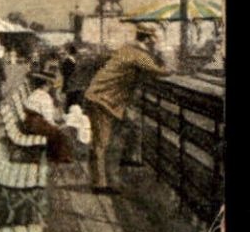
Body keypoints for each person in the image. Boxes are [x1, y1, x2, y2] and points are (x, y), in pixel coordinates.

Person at [82, 23, 168, 195]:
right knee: (102, 143)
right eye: (154, 39)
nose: (155, 42)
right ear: (149, 39)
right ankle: (100, 184)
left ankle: (108, 177)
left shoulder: (127, 49)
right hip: (103, 99)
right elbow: (162, 71)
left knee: (114, 135)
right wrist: (162, 52)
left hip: (101, 98)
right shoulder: (137, 55)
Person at [17, 70, 74, 164]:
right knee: (58, 133)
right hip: (35, 124)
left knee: (55, 131)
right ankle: (61, 157)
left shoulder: (36, 93)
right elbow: (48, 118)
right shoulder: (45, 97)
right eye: (51, 85)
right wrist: (56, 125)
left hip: (29, 122)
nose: (52, 87)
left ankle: (55, 155)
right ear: (47, 85)